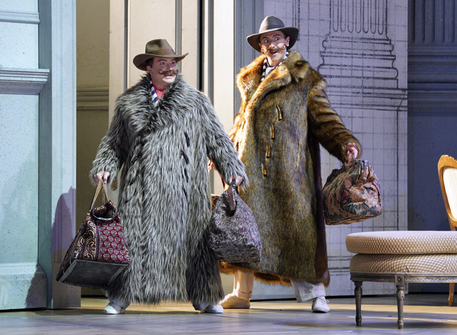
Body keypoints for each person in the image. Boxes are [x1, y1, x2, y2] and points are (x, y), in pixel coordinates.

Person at [91, 39, 247, 315]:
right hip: (142, 191)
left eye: (173, 63)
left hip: (185, 191)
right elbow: (114, 144)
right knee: (135, 242)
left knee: (194, 244)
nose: (169, 68)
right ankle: (121, 296)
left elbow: (218, 140)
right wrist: (105, 165)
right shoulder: (128, 104)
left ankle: (204, 296)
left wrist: (232, 169)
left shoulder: (196, 101)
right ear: (149, 67)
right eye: (162, 63)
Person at [219, 16, 361, 313]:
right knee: (245, 229)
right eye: (265, 40)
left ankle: (315, 295)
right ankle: (242, 294)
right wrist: (224, 153)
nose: (271, 45)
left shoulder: (304, 79)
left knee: (298, 231)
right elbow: (242, 121)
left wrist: (345, 143)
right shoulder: (251, 79)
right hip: (250, 171)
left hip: (289, 172)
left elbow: (325, 120)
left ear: (287, 42)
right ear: (260, 46)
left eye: (276, 39)